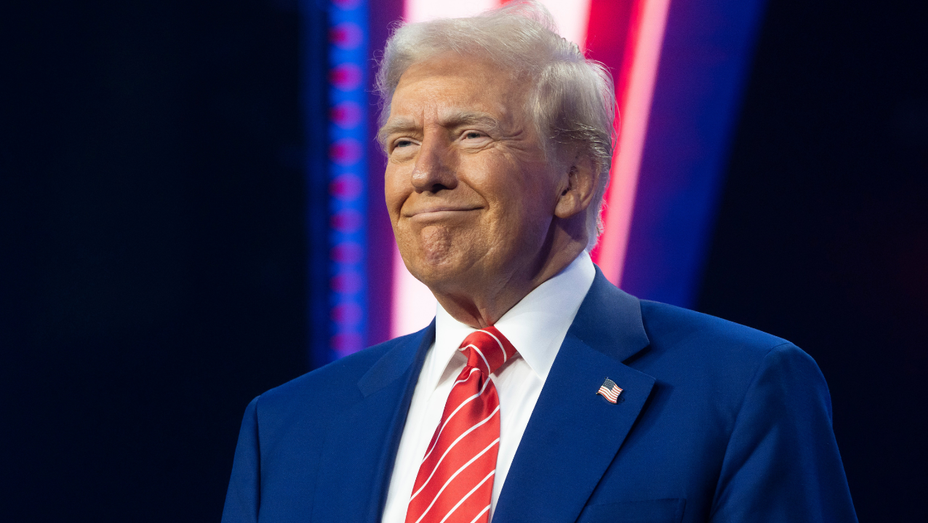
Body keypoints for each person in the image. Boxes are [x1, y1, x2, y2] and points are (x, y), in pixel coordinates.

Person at [221, 2, 858, 522]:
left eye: (471, 135)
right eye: (404, 142)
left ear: (572, 180)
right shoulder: (286, 429)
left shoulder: (741, 390)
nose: (425, 174)